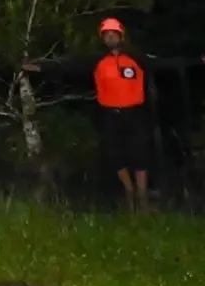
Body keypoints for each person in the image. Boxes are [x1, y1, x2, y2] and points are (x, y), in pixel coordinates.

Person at [23, 17, 204, 212]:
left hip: (135, 114)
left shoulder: (137, 58)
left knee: (140, 155)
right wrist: (41, 67)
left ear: (121, 35)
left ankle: (142, 195)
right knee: (116, 155)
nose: (110, 38)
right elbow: (69, 65)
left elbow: (165, 63)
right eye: (106, 35)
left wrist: (197, 60)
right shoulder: (98, 61)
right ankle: (129, 191)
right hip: (110, 115)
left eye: (113, 34)